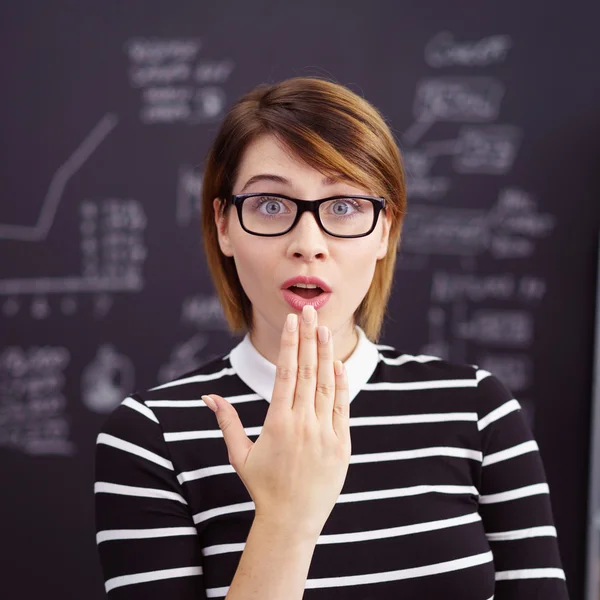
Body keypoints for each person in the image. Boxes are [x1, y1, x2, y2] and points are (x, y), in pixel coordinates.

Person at [94, 76, 569, 599]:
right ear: (224, 223)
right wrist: (286, 519)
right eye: (271, 205)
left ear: (384, 229)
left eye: (343, 206)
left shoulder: (479, 410)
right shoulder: (150, 437)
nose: (308, 243)